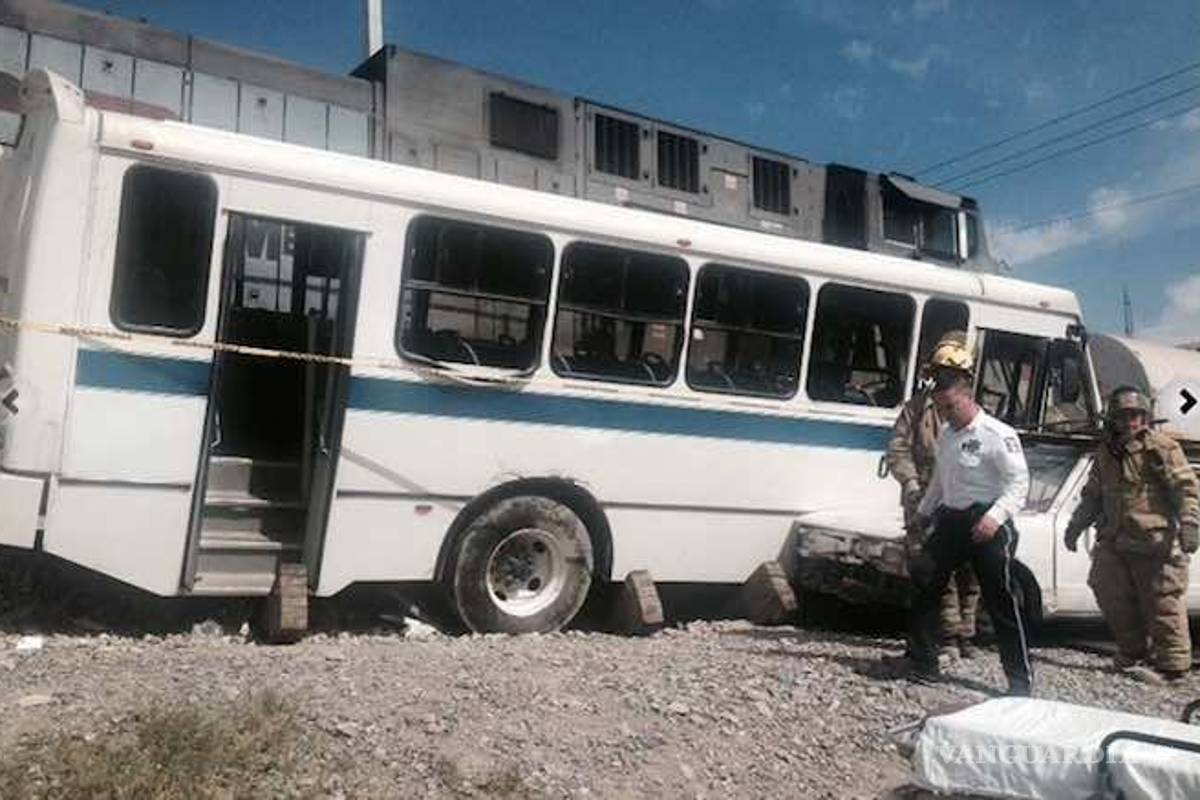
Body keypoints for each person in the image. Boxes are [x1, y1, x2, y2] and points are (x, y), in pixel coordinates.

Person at [896, 365, 1033, 695]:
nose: (946, 413)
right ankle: (923, 660)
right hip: (952, 520)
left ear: (968, 397)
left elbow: (1019, 482)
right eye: (941, 407)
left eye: (952, 406)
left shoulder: (997, 434)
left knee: (1000, 598)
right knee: (925, 577)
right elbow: (942, 482)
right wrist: (924, 514)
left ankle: (1019, 679)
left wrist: (996, 517)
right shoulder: (947, 434)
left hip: (988, 522)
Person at [1063, 386, 1199, 683]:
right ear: (1112, 418)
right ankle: (1132, 652)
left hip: (1154, 542)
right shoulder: (1106, 453)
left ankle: (1172, 666)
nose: (1130, 422)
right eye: (1123, 416)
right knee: (1108, 591)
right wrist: (1075, 527)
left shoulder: (1161, 449)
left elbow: (1186, 488)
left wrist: (1190, 524)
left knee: (1162, 602)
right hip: (1115, 539)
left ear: (1145, 416)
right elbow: (1092, 496)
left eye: (1135, 415)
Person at [887, 331, 983, 661]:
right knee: (930, 568)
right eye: (941, 374)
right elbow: (898, 448)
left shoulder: (975, 412)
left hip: (961, 499)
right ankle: (948, 636)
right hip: (923, 498)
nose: (946, 381)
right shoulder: (916, 409)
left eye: (954, 375)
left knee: (968, 569)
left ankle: (966, 634)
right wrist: (911, 483)